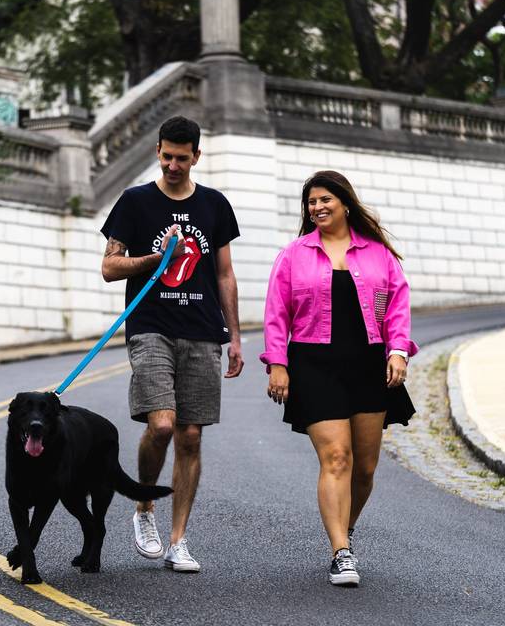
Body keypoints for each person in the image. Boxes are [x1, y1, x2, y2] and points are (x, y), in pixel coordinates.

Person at [259, 170, 418, 587]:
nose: (318, 207)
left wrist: (397, 350)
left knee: (364, 468)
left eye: (325, 199)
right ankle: (341, 552)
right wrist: (277, 362)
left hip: (368, 366)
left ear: (345, 203)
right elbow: (276, 313)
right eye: (311, 202)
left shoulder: (378, 254)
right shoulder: (293, 255)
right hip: (313, 365)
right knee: (337, 458)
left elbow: (397, 306)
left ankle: (344, 529)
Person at [100, 115, 243, 573]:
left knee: (191, 434)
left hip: (202, 329)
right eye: (166, 156)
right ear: (157, 152)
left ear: (196, 156)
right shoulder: (135, 202)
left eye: (182, 158)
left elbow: (224, 274)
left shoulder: (215, 206)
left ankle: (178, 540)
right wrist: (154, 258)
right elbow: (110, 266)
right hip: (150, 326)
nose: (173, 165)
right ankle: (145, 508)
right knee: (161, 425)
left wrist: (235, 336)